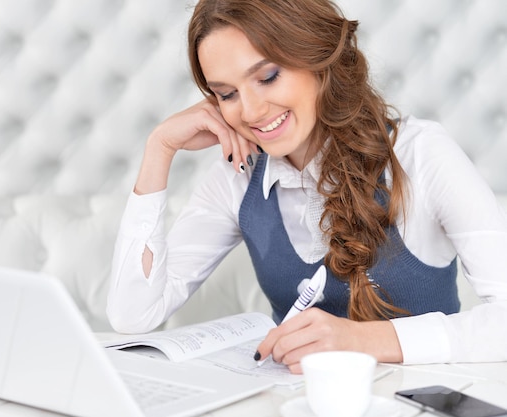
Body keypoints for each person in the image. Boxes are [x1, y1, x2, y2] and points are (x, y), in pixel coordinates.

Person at [106, 0, 507, 373]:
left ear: (317, 57)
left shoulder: (421, 156)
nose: (249, 111)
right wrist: (160, 147)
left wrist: (360, 340)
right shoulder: (237, 177)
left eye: (267, 77)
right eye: (226, 94)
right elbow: (133, 314)